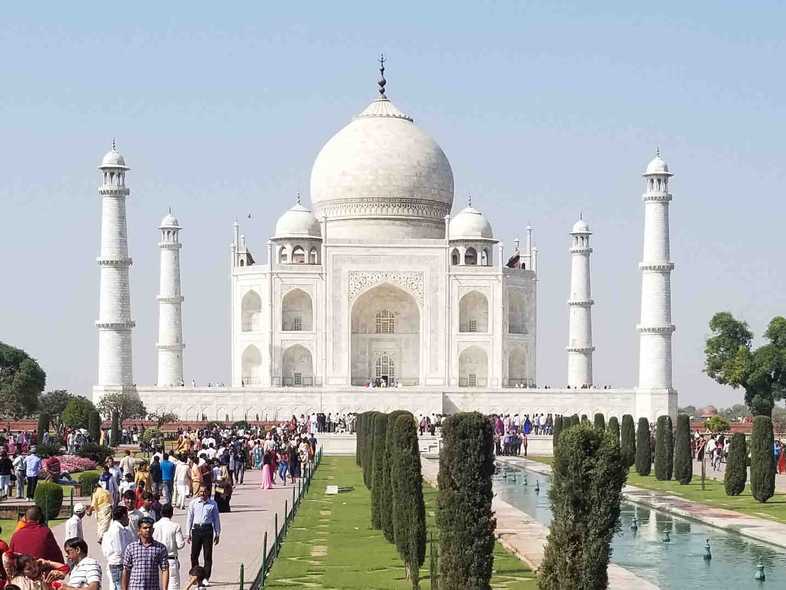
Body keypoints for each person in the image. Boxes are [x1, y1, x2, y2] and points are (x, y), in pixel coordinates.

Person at [121, 517, 169, 590]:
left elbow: (165, 569)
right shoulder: (131, 548)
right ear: (139, 530)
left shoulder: (160, 548)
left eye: (150, 528)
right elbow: (126, 570)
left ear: (153, 530)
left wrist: (165, 588)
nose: (148, 530)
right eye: (145, 528)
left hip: (153, 587)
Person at [185, 487, 220, 585]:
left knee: (207, 555)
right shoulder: (194, 503)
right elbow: (189, 518)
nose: (203, 493)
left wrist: (217, 533)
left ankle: (205, 577)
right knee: (194, 555)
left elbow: (216, 519)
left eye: (205, 491)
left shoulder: (213, 504)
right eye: (201, 491)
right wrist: (188, 533)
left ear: (208, 492)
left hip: (207, 530)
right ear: (198, 492)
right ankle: (195, 576)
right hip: (196, 530)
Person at [153, 504, 185, 590]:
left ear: (161, 513)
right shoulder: (175, 526)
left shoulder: (155, 525)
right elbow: (180, 544)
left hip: (157, 560)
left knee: (158, 585)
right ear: (172, 513)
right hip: (171, 559)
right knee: (173, 585)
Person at [102, 506, 133, 590]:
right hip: (118, 564)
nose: (128, 518)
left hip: (117, 563)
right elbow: (119, 550)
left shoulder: (121, 529)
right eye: (127, 516)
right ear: (123, 516)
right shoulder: (116, 530)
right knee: (119, 586)